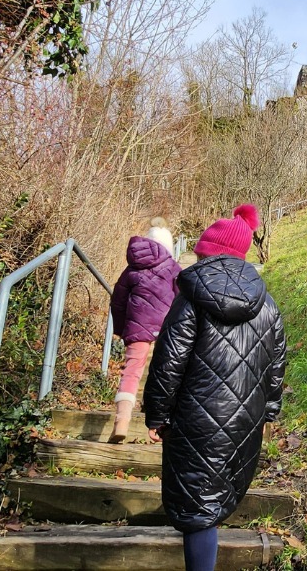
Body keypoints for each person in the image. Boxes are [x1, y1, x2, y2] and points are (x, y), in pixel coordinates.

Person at [143, 204, 286, 571]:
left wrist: (157, 414)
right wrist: (267, 413)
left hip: (195, 419)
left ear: (207, 252)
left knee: (198, 504)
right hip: (244, 419)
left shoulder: (191, 298)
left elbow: (169, 359)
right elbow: (276, 365)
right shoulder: (267, 305)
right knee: (215, 494)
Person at [108, 219, 181, 443]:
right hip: (166, 328)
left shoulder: (131, 269)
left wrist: (122, 330)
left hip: (137, 328)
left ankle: (122, 421)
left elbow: (117, 303)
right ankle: (160, 422)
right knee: (166, 372)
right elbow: (181, 300)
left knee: (131, 371)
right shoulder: (173, 268)